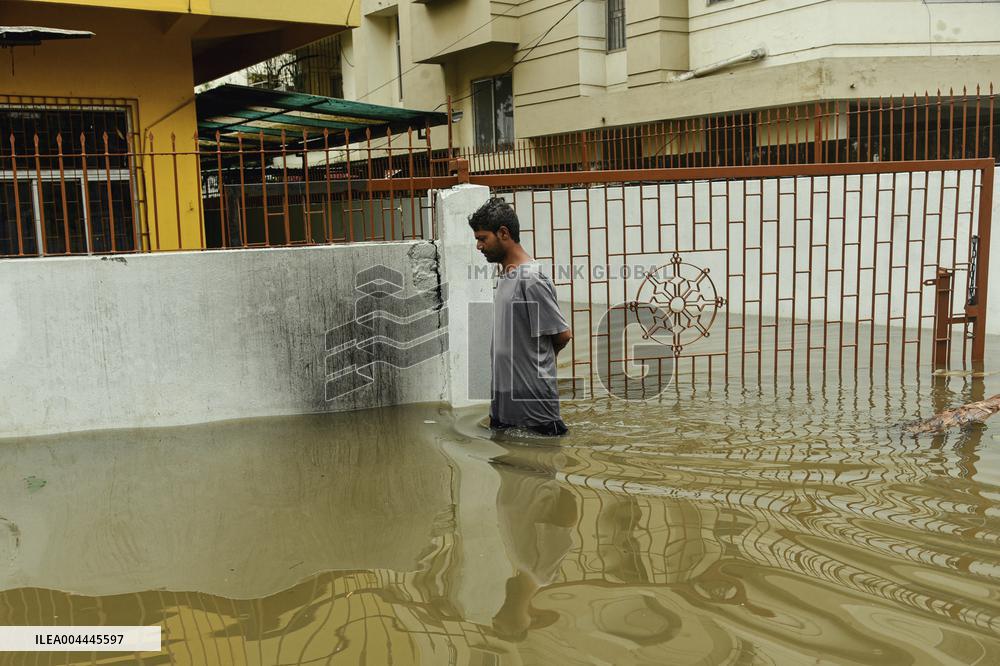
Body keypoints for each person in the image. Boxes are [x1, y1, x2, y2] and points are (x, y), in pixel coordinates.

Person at [468, 198, 572, 436]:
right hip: (504, 404)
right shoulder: (507, 275)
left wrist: (535, 368)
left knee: (541, 466)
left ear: (503, 233)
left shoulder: (531, 278)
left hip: (534, 406)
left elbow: (562, 335)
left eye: (483, 238)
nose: (479, 246)